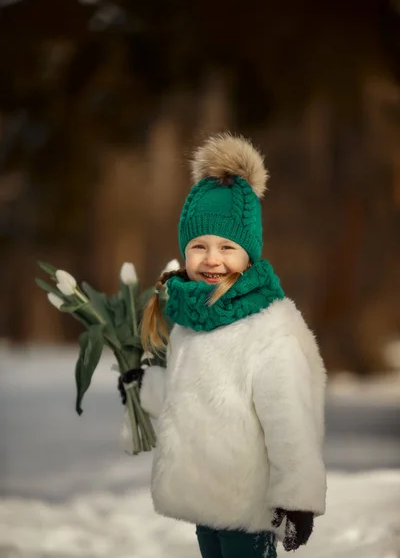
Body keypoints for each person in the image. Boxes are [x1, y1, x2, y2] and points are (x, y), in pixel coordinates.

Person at [121, 133, 327, 558]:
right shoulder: (191, 320)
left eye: (226, 247)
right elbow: (191, 396)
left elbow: (291, 419)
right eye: (199, 246)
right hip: (206, 497)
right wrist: (145, 386)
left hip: (248, 505)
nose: (211, 259)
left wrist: (297, 498)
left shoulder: (268, 328)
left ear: (248, 255)